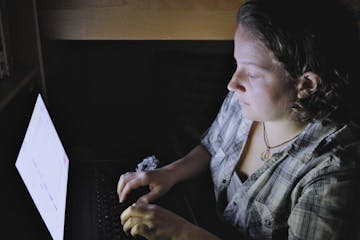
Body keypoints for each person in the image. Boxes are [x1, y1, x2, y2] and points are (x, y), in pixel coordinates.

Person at [117, 0, 360, 239]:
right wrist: (169, 174)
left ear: (306, 84)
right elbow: (212, 147)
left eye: (252, 73)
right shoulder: (246, 101)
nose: (232, 83)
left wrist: (182, 233)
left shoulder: (332, 172)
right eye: (237, 64)